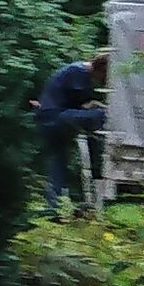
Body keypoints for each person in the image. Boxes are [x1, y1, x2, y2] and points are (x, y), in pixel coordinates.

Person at [29, 47, 108, 213]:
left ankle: (53, 206)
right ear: (100, 69)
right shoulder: (80, 72)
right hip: (56, 117)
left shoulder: (76, 70)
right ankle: (98, 172)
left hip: (48, 119)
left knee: (58, 162)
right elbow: (85, 103)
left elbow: (80, 103)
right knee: (101, 116)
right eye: (104, 76)